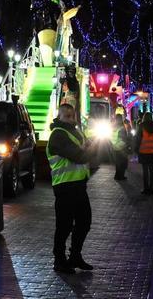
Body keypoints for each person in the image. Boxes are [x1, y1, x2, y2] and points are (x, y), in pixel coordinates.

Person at [46, 103, 94, 274]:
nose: (71, 119)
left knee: (84, 222)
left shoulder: (76, 132)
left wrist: (90, 148)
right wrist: (92, 148)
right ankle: (59, 260)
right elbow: (80, 156)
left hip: (79, 185)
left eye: (72, 115)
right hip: (64, 186)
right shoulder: (58, 134)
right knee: (64, 225)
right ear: (59, 116)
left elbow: (87, 153)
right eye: (66, 116)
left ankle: (75, 256)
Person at [136, 113, 153, 195]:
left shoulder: (141, 126)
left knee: (145, 170)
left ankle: (146, 188)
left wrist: (136, 149)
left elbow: (138, 138)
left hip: (143, 150)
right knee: (152, 169)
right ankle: (151, 188)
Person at [112, 113, 129, 180]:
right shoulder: (122, 126)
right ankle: (121, 176)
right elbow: (124, 138)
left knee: (118, 162)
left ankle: (117, 175)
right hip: (122, 147)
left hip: (115, 147)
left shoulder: (114, 126)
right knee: (123, 162)